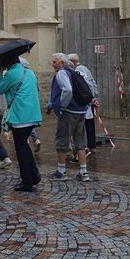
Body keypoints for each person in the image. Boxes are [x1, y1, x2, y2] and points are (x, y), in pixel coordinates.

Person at [0, 55, 42, 192]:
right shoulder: (30, 72)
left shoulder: (11, 74)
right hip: (32, 114)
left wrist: (0, 73)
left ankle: (27, 181)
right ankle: (33, 175)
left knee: (21, 150)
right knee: (25, 147)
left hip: (20, 116)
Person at [47, 52, 90, 182]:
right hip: (81, 111)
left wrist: (61, 105)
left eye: (55, 62)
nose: (53, 64)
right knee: (80, 141)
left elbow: (68, 90)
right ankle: (83, 172)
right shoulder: (74, 72)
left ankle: (61, 171)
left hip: (69, 111)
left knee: (62, 140)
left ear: (62, 62)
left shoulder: (61, 73)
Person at [68, 53, 99, 153]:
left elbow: (85, 86)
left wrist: (90, 98)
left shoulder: (77, 71)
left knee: (83, 125)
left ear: (72, 62)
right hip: (89, 100)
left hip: (84, 102)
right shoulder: (85, 69)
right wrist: (94, 96)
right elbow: (93, 83)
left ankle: (84, 147)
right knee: (89, 124)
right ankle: (92, 146)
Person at [20, 57, 41, 152]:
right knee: (28, 124)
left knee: (22, 124)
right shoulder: (32, 74)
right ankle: (36, 139)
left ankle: (26, 143)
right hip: (32, 102)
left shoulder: (19, 74)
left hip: (22, 103)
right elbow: (37, 89)